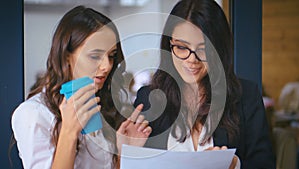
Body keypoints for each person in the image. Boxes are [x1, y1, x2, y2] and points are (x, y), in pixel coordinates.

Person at [134, 0, 275, 168]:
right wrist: (127, 151)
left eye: (203, 49)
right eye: (181, 47)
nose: (192, 59)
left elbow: (264, 164)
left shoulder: (246, 97)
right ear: (168, 45)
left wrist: (234, 164)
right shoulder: (149, 99)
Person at [11, 5, 151, 169]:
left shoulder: (102, 107)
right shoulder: (34, 113)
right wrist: (69, 132)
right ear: (66, 56)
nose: (106, 66)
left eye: (111, 56)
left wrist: (123, 155)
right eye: (95, 56)